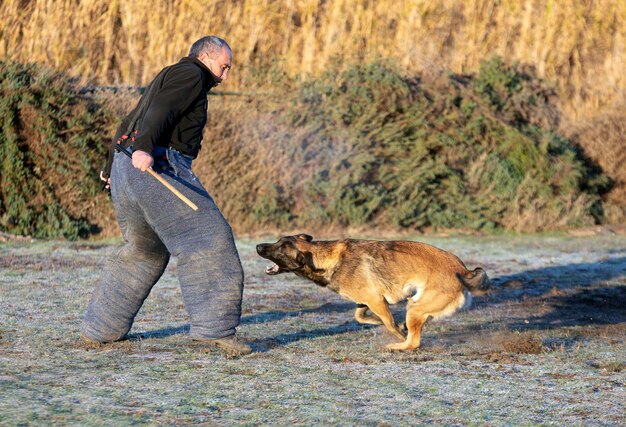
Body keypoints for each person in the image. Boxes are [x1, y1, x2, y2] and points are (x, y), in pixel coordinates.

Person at [81, 36, 251, 357]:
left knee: (145, 251)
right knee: (208, 240)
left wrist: (110, 169)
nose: (225, 76)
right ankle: (215, 330)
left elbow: (127, 120)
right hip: (157, 166)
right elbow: (161, 110)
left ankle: (100, 328)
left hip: (124, 167)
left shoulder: (169, 73)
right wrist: (145, 148)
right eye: (223, 66)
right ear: (205, 56)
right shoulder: (192, 74)